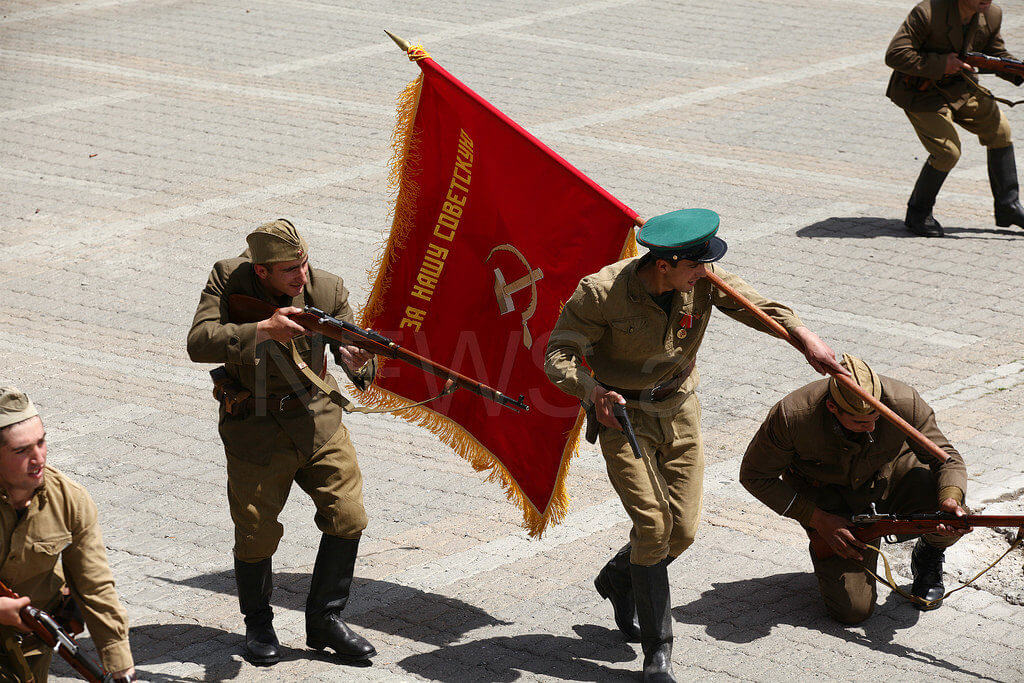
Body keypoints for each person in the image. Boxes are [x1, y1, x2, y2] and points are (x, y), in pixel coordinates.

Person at [544, 209, 845, 682]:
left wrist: (804, 337)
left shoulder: (702, 279)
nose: (705, 272)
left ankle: (620, 577)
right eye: (695, 265)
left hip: (680, 408)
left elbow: (758, 306)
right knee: (653, 525)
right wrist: (592, 391)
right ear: (663, 265)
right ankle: (658, 653)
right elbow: (557, 354)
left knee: (680, 532)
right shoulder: (600, 292)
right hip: (624, 415)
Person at [186, 219, 378, 666]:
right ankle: (258, 622)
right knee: (256, 532)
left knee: (349, 516)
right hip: (255, 426)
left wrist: (357, 362)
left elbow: (352, 351)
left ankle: (325, 619)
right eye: (289, 269)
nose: (301, 275)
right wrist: (263, 329)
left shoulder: (327, 288)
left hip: (317, 419)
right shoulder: (227, 278)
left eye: (304, 263)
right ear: (261, 272)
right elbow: (198, 343)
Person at [739, 355, 969, 624]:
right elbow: (754, 476)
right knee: (853, 611)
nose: (871, 427)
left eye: (876, 418)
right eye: (860, 422)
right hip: (829, 505)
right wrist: (818, 520)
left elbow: (948, 460)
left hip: (887, 479)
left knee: (951, 512)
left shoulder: (904, 402)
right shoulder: (792, 416)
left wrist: (950, 499)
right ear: (832, 407)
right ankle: (838, 554)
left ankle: (928, 553)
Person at [0, 387, 135, 682]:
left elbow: (95, 585)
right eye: (21, 450)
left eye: (41, 442)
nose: (38, 458)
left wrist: (121, 667)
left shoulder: (69, 499)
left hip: (30, 647)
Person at [885, 0, 1024, 236]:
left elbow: (995, 54)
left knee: (1000, 131)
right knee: (947, 152)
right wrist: (942, 64)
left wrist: (1019, 71)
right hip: (921, 92)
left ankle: (1008, 206)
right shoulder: (927, 12)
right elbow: (895, 54)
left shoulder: (991, 14)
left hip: (961, 87)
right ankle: (918, 213)